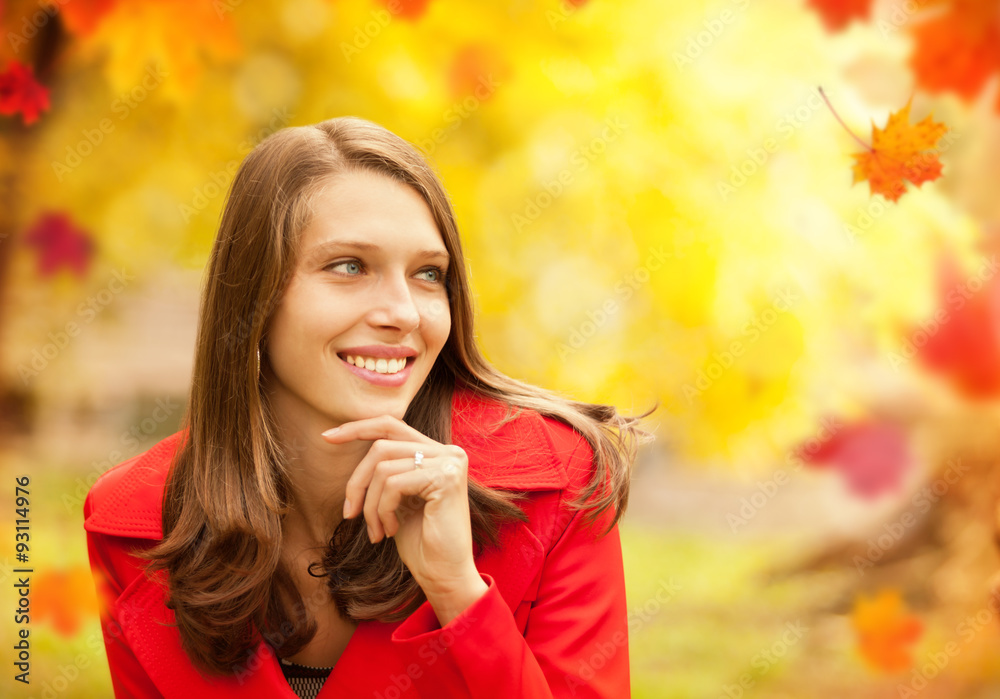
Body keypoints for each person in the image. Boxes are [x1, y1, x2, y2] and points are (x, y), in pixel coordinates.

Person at [83, 116, 656, 698]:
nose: (404, 313)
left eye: (428, 274)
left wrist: (458, 592)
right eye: (350, 266)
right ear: (253, 297)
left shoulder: (560, 486)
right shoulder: (138, 525)